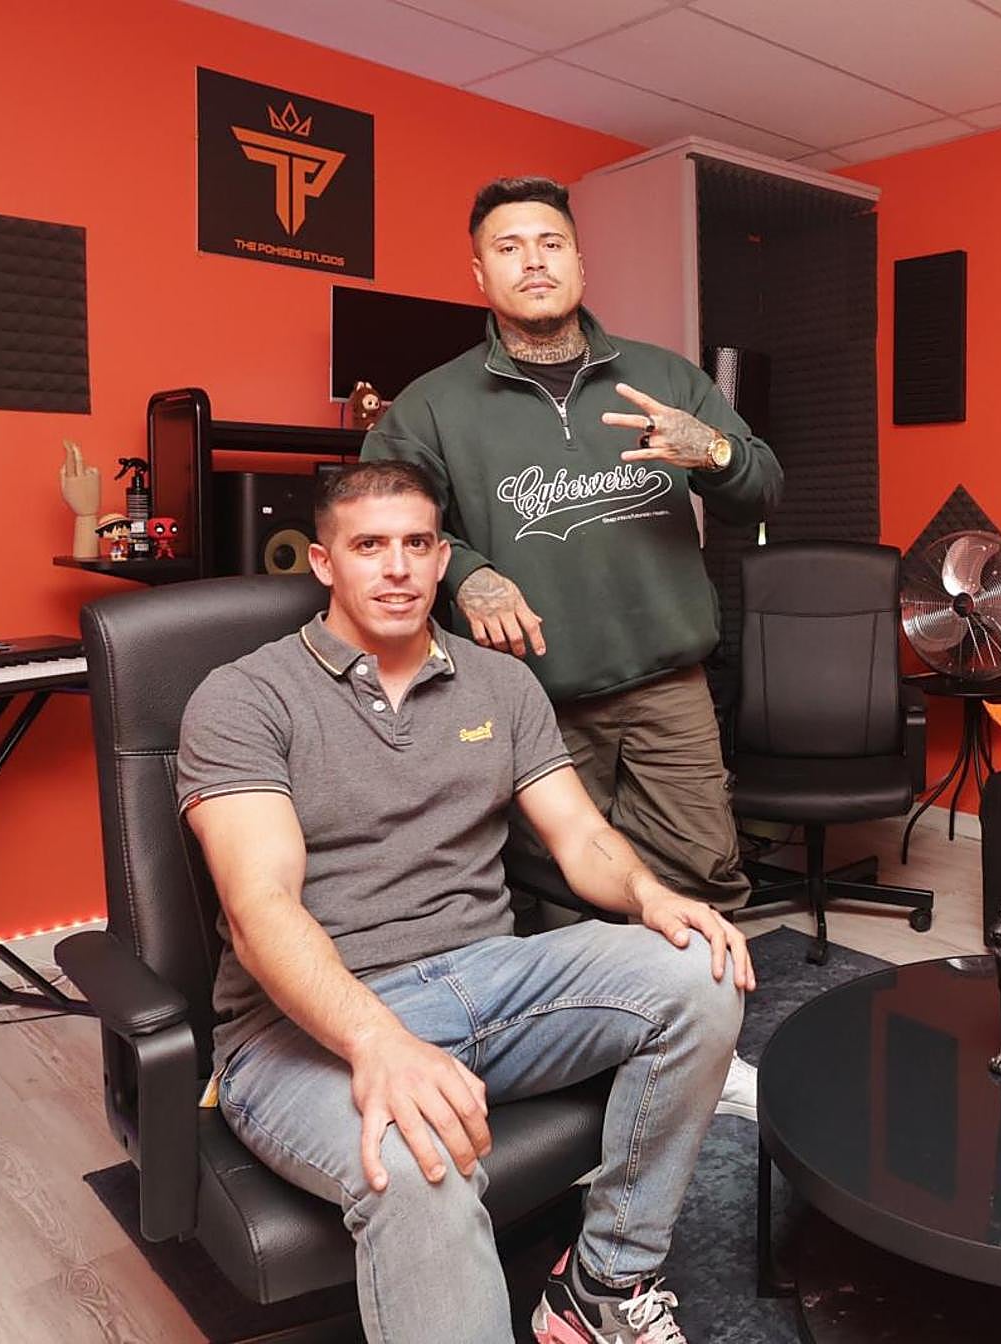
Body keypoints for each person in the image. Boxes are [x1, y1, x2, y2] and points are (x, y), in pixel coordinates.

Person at [178, 461, 751, 1344]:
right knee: (418, 1158)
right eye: (369, 546)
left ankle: (603, 1285)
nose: (397, 568)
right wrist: (377, 1041)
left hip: (490, 979)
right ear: (324, 562)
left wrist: (650, 895)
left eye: (417, 543)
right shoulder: (246, 696)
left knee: (700, 974)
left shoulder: (501, 684)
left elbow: (580, 835)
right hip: (308, 1026)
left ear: (444, 558)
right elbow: (261, 911)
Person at [362, 174, 782, 1119]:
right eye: (509, 247)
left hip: (670, 683)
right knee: (558, 888)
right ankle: (589, 1073)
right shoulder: (430, 407)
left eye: (550, 242)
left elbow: (763, 487)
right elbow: (381, 522)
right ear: (480, 273)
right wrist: (467, 573)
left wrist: (713, 453)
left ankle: (704, 1057)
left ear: (581, 264)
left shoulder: (666, 376)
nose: (534, 261)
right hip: (528, 700)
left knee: (700, 872)